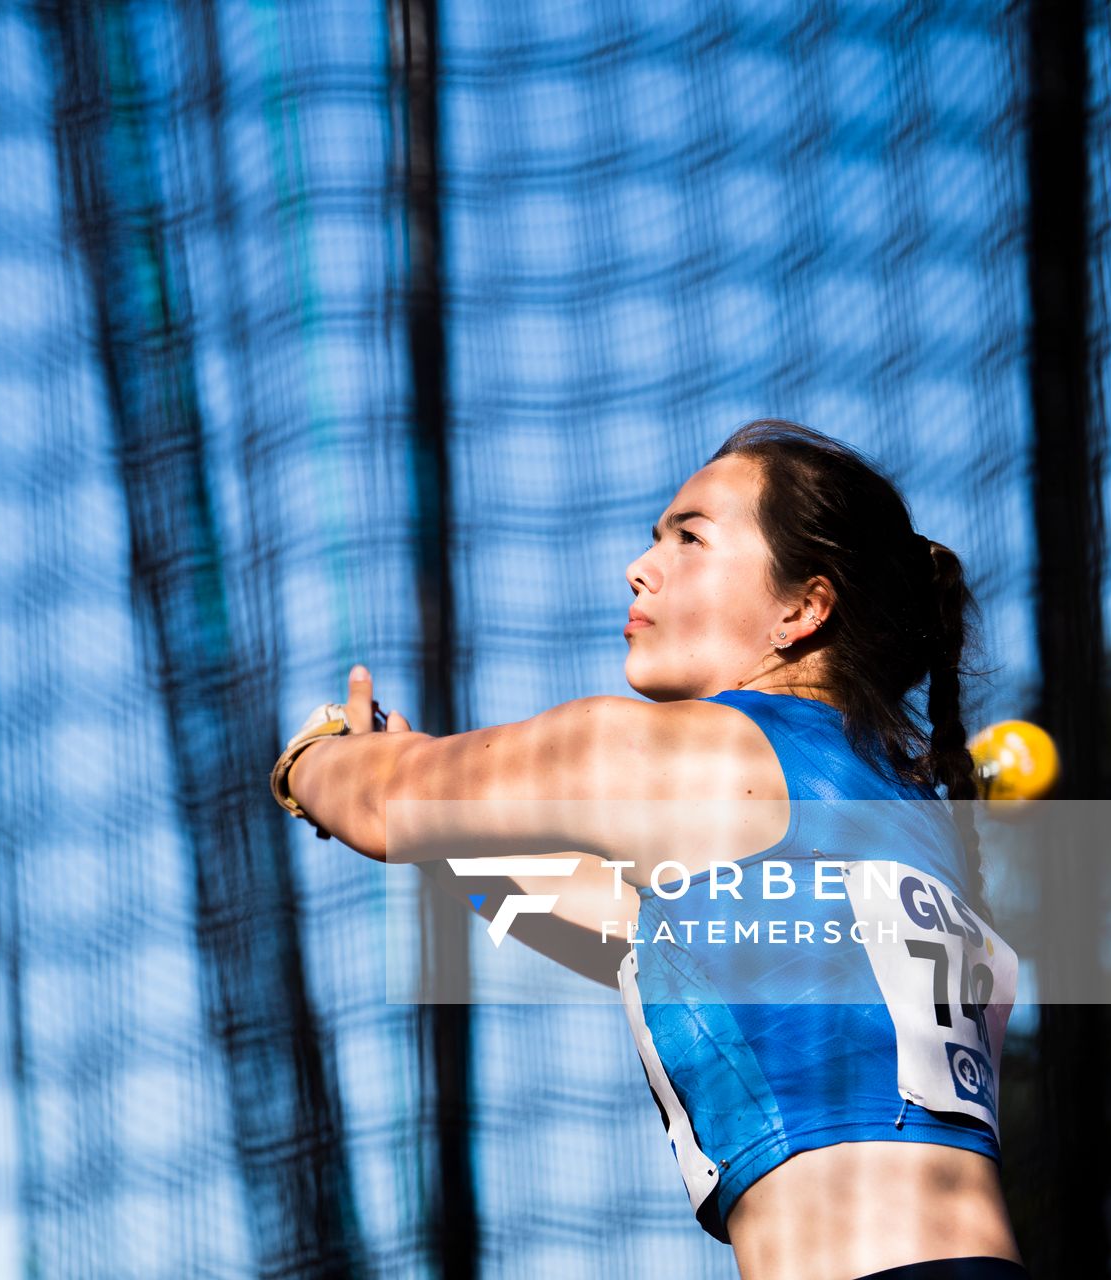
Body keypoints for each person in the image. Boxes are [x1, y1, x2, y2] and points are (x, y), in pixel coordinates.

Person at [273, 419, 1028, 1280]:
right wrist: (435, 835)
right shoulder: (893, 815)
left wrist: (317, 757)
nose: (641, 566)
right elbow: (617, 929)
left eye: (690, 537)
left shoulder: (702, 752)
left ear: (802, 609)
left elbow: (386, 799)